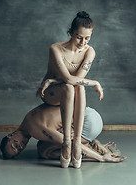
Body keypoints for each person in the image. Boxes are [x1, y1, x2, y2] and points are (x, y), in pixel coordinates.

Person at [36, 11, 104, 168]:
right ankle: (67, 142)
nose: (83, 42)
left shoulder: (89, 51)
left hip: (68, 88)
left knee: (78, 88)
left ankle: (77, 142)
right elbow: (68, 80)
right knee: (69, 87)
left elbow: (76, 79)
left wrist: (54, 78)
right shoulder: (56, 49)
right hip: (51, 93)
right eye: (79, 37)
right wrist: (94, 82)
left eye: (87, 38)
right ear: (71, 32)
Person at [0, 103, 126, 164]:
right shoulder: (28, 119)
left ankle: (94, 148)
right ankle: (90, 142)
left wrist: (101, 159)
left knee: (44, 152)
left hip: (87, 123)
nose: (21, 146)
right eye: (19, 150)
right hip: (90, 113)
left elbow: (69, 142)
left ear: (10, 135)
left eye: (15, 145)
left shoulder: (34, 129)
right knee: (42, 145)